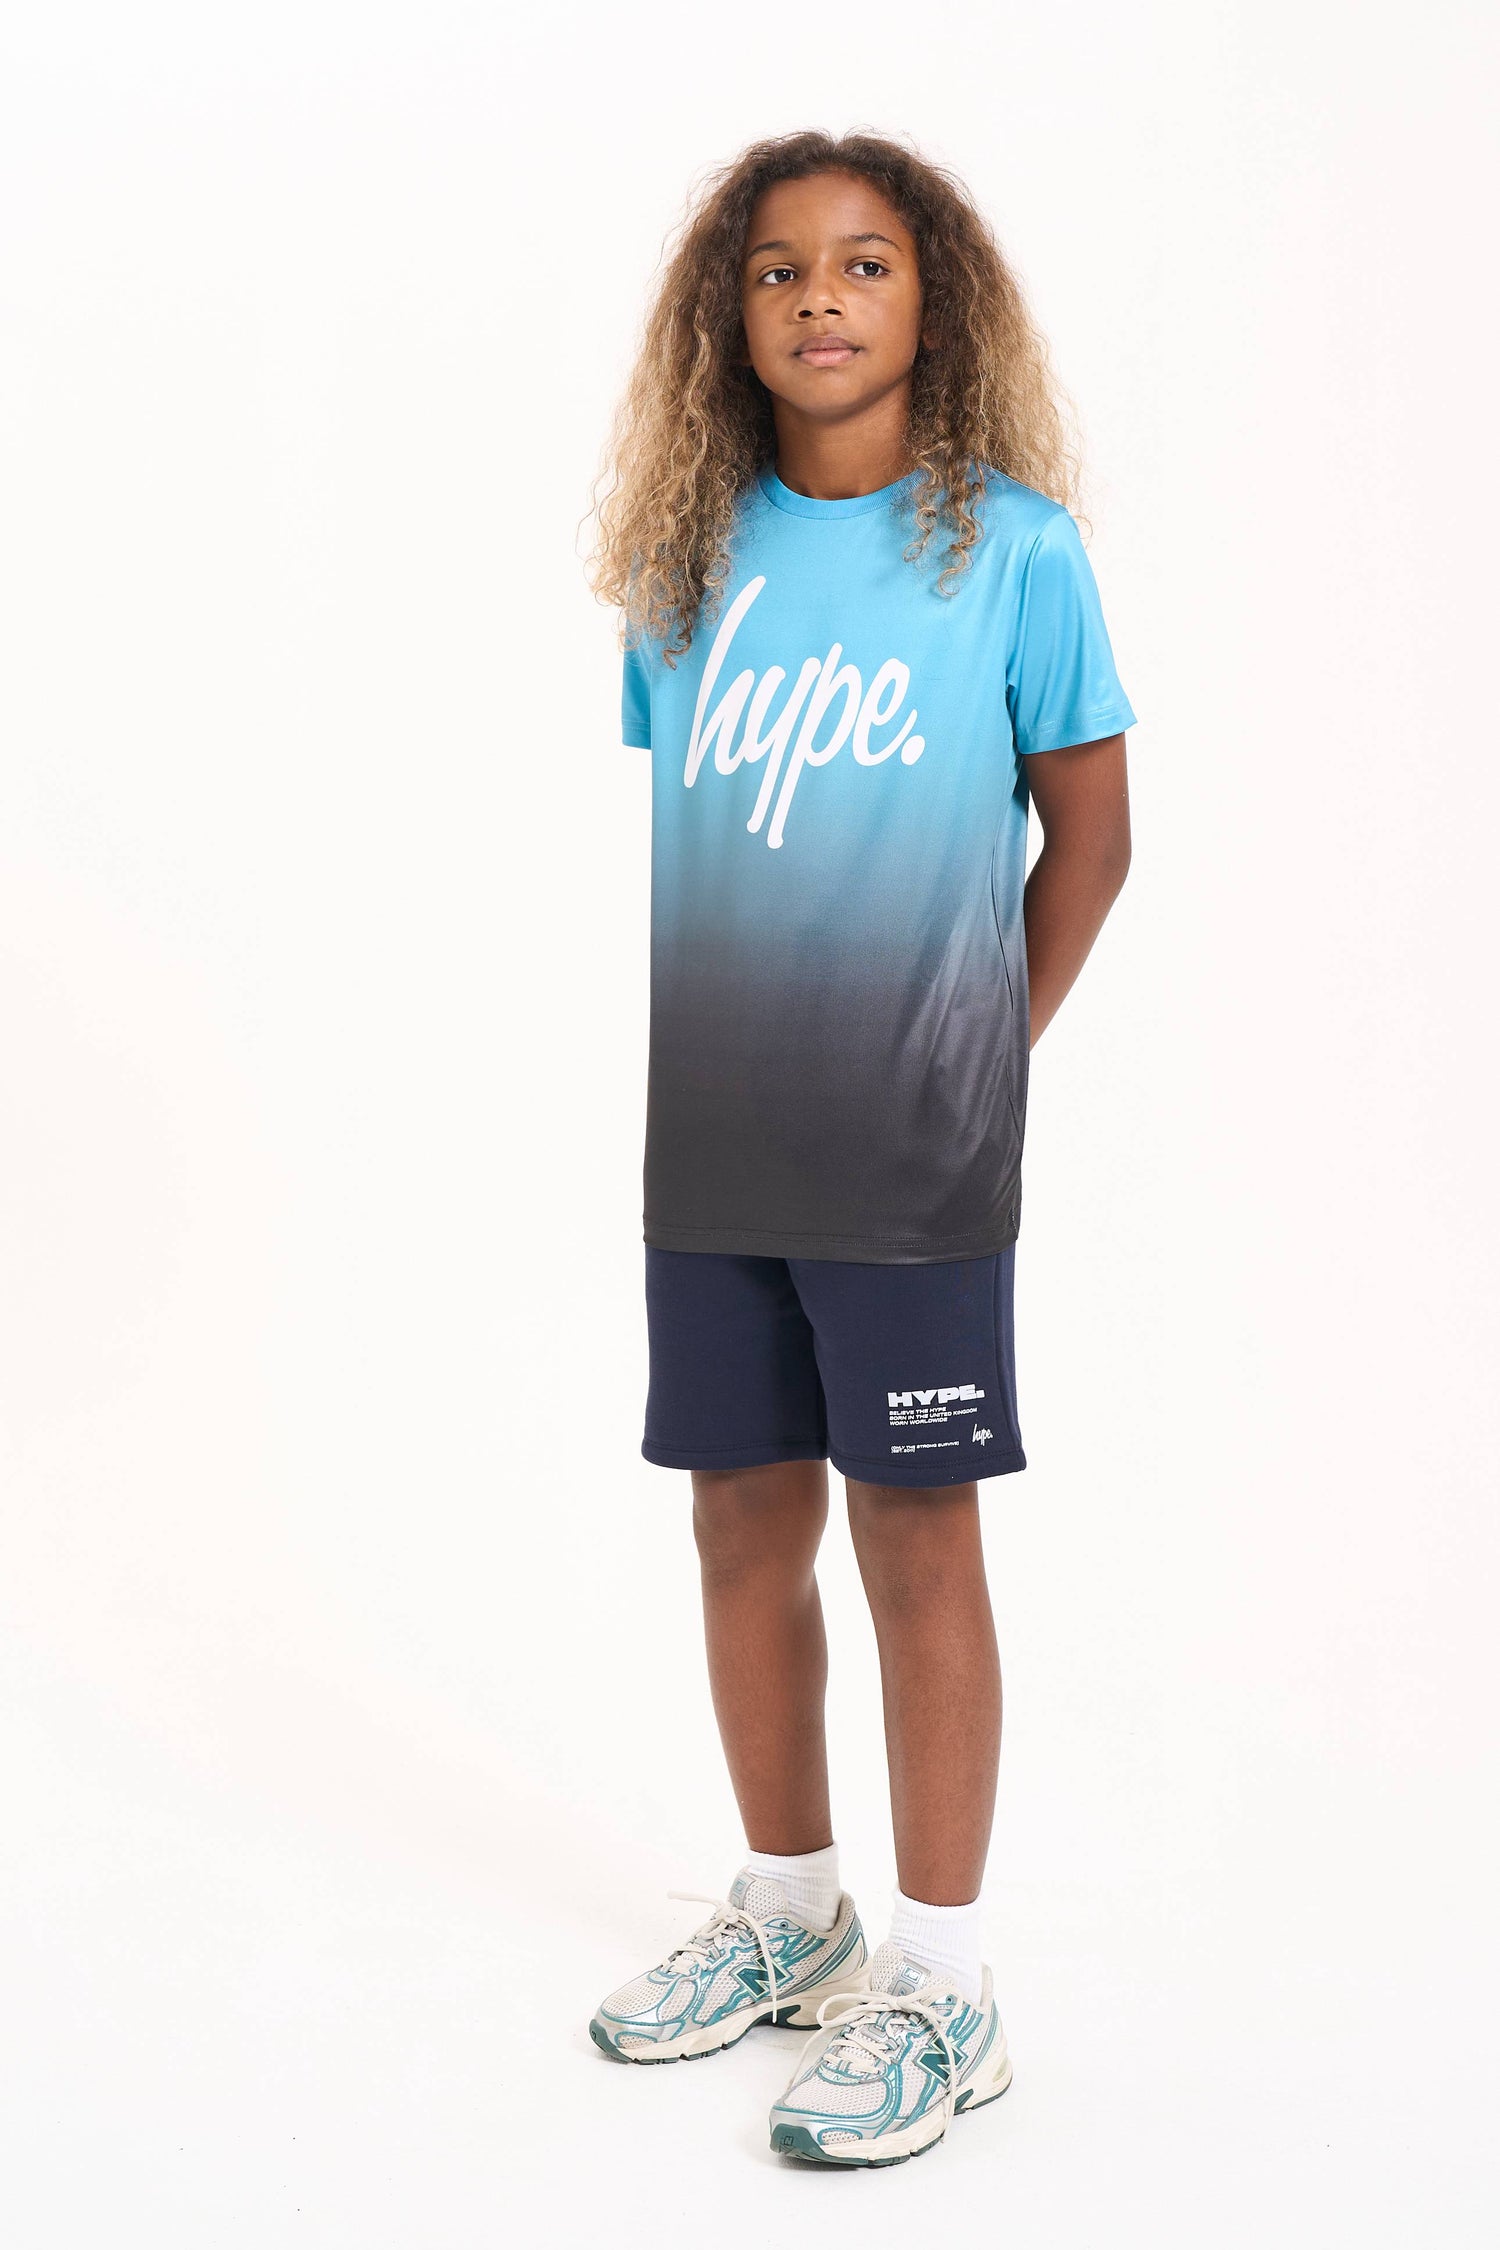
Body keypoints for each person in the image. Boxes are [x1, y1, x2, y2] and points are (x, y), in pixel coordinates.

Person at [585, 129, 1136, 2168]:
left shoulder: (1018, 551)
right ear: (726, 317)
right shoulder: (685, 561)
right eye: (777, 268)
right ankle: (791, 1911)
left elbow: (1094, 839)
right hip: (715, 1141)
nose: (820, 295)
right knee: (741, 1524)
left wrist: (976, 1047)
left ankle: (947, 1984)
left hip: (913, 1157)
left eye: (866, 261)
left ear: (935, 299)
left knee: (916, 1539)